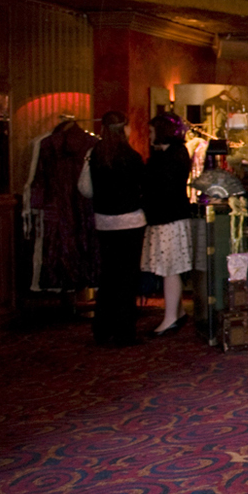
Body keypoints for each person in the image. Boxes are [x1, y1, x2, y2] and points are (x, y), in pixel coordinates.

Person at [80, 111, 146, 347]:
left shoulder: (94, 154)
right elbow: (143, 188)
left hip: (104, 220)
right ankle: (124, 331)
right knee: (127, 277)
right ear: (124, 128)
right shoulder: (132, 157)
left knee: (108, 275)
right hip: (130, 220)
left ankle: (102, 327)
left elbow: (85, 188)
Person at [142, 113, 194, 336]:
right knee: (171, 268)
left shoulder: (170, 156)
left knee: (170, 268)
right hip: (170, 216)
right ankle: (176, 312)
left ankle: (171, 317)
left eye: (152, 131)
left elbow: (160, 188)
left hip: (168, 218)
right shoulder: (174, 153)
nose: (149, 135)